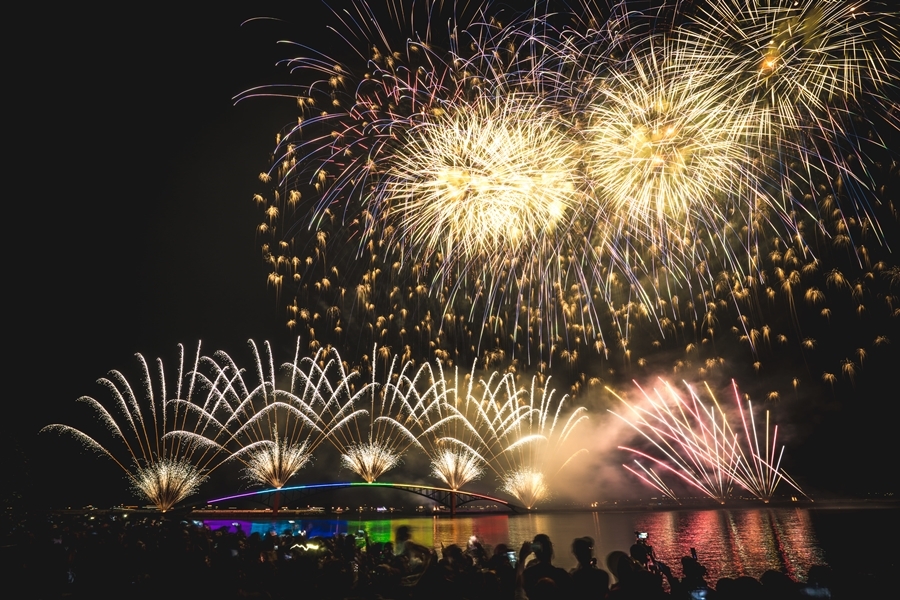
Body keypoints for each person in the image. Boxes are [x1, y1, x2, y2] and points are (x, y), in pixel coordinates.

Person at [521, 534, 570, 600]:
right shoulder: (561, 574)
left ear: (535, 552)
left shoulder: (528, 574)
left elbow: (519, 588)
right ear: (551, 550)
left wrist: (522, 558)